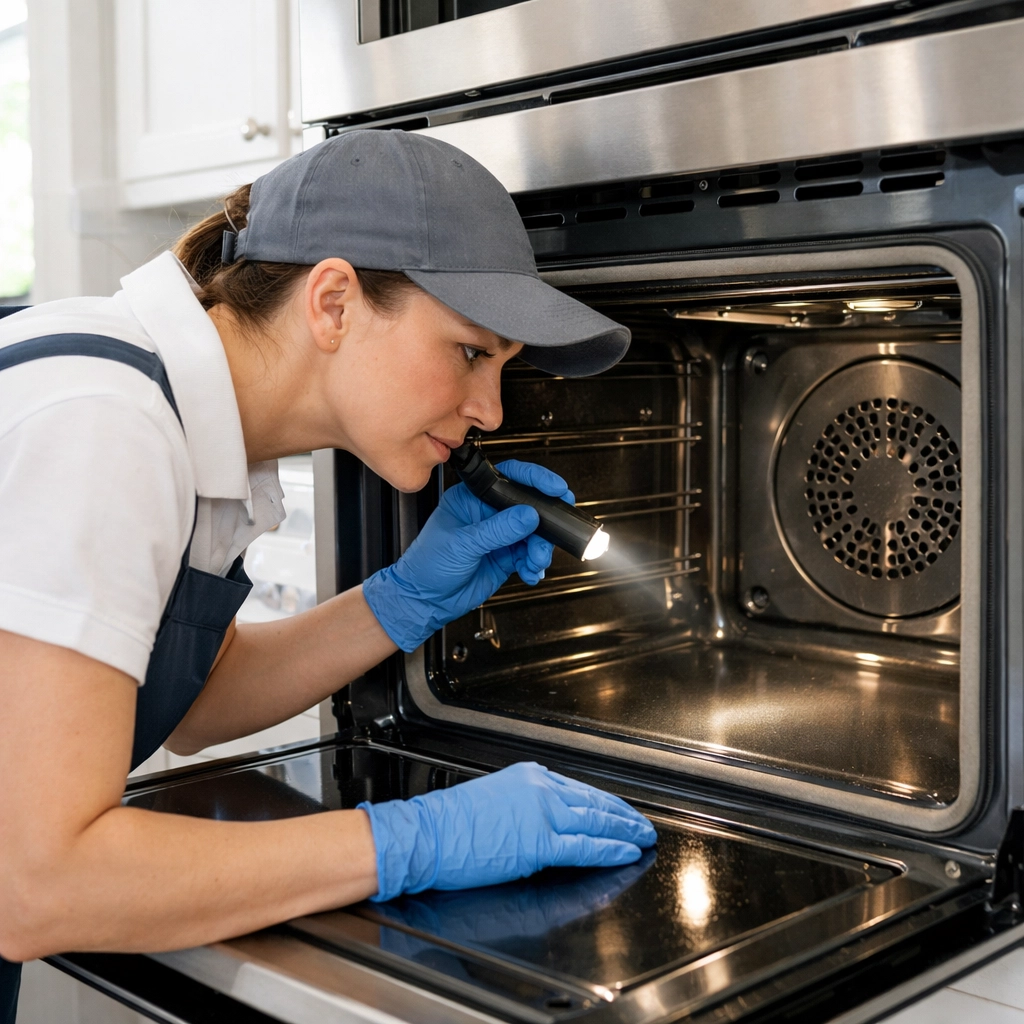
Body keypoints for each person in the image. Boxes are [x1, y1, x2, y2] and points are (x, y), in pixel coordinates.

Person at [0, 130, 655, 1021]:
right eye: (470, 351)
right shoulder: (105, 424)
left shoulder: (197, 435)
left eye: (504, 368)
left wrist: (403, 602)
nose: (490, 411)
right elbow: (38, 883)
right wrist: (408, 841)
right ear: (335, 302)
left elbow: (192, 704)